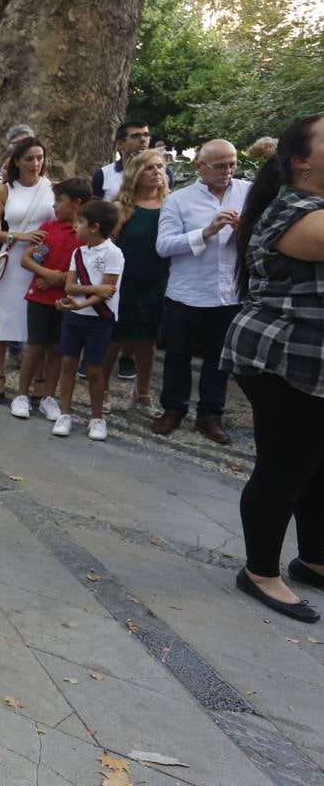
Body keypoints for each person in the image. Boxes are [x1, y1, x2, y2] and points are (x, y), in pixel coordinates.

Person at [220, 114, 324, 623]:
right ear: (301, 161)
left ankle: (313, 559)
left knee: (317, 466)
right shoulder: (294, 210)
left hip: (313, 360)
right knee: (284, 467)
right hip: (282, 358)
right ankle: (260, 570)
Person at [152, 139, 250, 444]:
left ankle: (210, 414)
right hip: (188, 292)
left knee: (219, 359)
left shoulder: (248, 192)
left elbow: (267, 236)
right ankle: (173, 409)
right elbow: (164, 246)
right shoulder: (178, 200)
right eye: (220, 166)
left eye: (233, 164)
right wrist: (205, 232)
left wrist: (244, 230)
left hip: (229, 293)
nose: (228, 171)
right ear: (199, 166)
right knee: (178, 355)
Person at [10, 177, 88, 421]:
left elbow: (88, 268)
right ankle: (22, 395)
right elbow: (27, 259)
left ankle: (47, 396)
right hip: (39, 298)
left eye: (59, 201)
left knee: (56, 350)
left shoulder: (85, 234)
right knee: (33, 347)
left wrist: (60, 279)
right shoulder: (49, 227)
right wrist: (47, 274)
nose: (54, 206)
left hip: (66, 300)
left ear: (76, 203)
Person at [0, 138, 54, 402]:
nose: (36, 164)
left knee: (39, 324)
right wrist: (18, 236)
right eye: (29, 159)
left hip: (41, 263)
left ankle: (39, 380)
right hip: (11, 262)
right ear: (17, 162)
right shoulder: (5, 190)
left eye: (39, 158)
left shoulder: (51, 189)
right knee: (4, 321)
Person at [101, 149, 169, 415]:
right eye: (150, 167)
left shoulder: (170, 204)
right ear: (136, 173)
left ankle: (142, 393)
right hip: (125, 282)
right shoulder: (123, 207)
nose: (156, 172)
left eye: (160, 167)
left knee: (148, 341)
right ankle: (102, 389)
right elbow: (108, 245)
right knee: (114, 338)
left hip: (157, 281)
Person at [50, 201, 124, 440]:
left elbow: (108, 292)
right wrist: (93, 290)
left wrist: (82, 300)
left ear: (94, 226)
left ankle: (97, 418)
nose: (75, 226)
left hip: (99, 320)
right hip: (74, 317)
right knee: (68, 364)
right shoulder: (78, 252)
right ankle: (64, 413)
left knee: (94, 370)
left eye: (80, 222)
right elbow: (70, 285)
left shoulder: (114, 253)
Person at [91, 121, 151, 202]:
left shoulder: (162, 174)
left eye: (146, 135)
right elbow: (93, 211)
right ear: (120, 144)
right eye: (135, 136)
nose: (143, 140)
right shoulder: (103, 175)